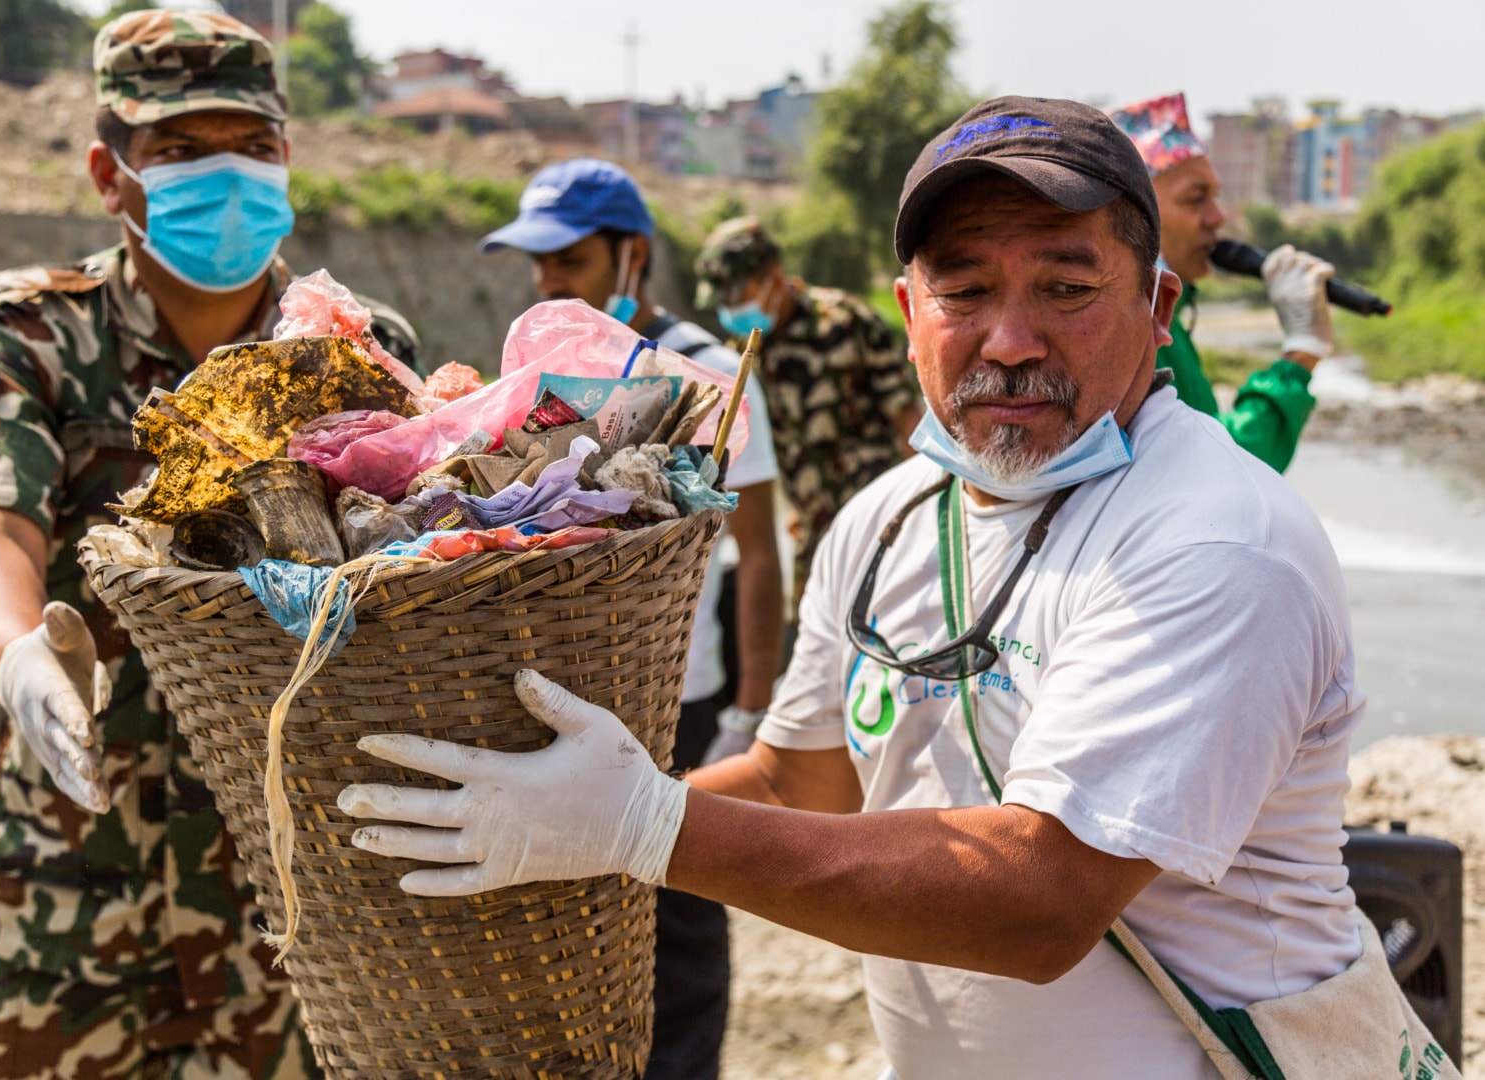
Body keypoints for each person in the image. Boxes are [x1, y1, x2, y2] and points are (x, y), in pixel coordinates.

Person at [334, 97, 1456, 1078]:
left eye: (1068, 287)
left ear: (1159, 309)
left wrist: (644, 826)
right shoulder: (888, 521)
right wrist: (517, 820)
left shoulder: (1217, 539)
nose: (1010, 341)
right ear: (909, 313)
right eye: (964, 292)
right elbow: (805, 782)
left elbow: (1041, 899)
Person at [0, 11, 418, 1078]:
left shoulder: (355, 355)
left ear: (288, 156)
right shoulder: (29, 333)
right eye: (182, 151)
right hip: (71, 886)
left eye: (251, 145)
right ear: (111, 172)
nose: (225, 176)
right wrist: (18, 658)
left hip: (291, 902)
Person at [478, 158, 784, 1080]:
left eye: (567, 259)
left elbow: (761, 550)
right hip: (559, 680)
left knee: (679, 912)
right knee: (562, 915)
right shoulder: (537, 370)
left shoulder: (707, 373)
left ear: (631, 255)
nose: (548, 283)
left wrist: (750, 708)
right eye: (536, 266)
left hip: (672, 690)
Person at [693, 217, 921, 611]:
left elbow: (910, 426)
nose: (731, 309)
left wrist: (924, 520)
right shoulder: (743, 355)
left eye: (738, 294)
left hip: (882, 530)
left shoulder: (846, 322)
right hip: (813, 542)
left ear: (773, 276)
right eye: (723, 302)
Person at [1110, 92, 1334, 472]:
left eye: (1216, 197)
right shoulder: (1128, 322)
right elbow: (1219, 466)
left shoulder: (1164, 308)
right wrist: (1299, 355)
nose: (1218, 217)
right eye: (1196, 200)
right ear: (1134, 213)